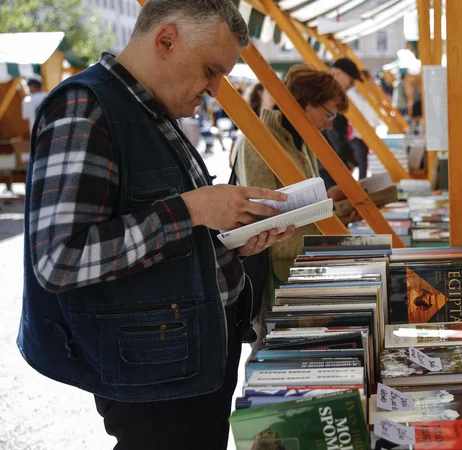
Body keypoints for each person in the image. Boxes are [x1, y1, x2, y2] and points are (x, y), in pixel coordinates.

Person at [18, 2, 295, 449]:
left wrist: (231, 243)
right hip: (153, 371)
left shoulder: (148, 107)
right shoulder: (85, 107)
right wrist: (191, 209)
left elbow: (163, 237)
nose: (213, 89)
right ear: (166, 40)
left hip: (186, 356)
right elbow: (59, 260)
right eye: (210, 70)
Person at [232, 65, 352, 346]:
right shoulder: (258, 140)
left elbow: (301, 203)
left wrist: (332, 202)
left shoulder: (301, 140)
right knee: (276, 347)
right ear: (306, 103)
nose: (329, 124)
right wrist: (333, 208)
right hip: (280, 270)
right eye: (329, 114)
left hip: (303, 264)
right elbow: (265, 216)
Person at [319, 58, 361, 190]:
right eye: (351, 80)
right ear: (338, 73)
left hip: (327, 165)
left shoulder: (329, 95)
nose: (352, 85)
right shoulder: (328, 97)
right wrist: (349, 162)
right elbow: (335, 136)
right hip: (328, 167)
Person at [348, 69, 382, 179]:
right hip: (355, 135)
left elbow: (374, 116)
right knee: (360, 164)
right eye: (370, 80)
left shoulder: (367, 96)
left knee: (363, 164)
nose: (372, 82)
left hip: (365, 135)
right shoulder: (351, 95)